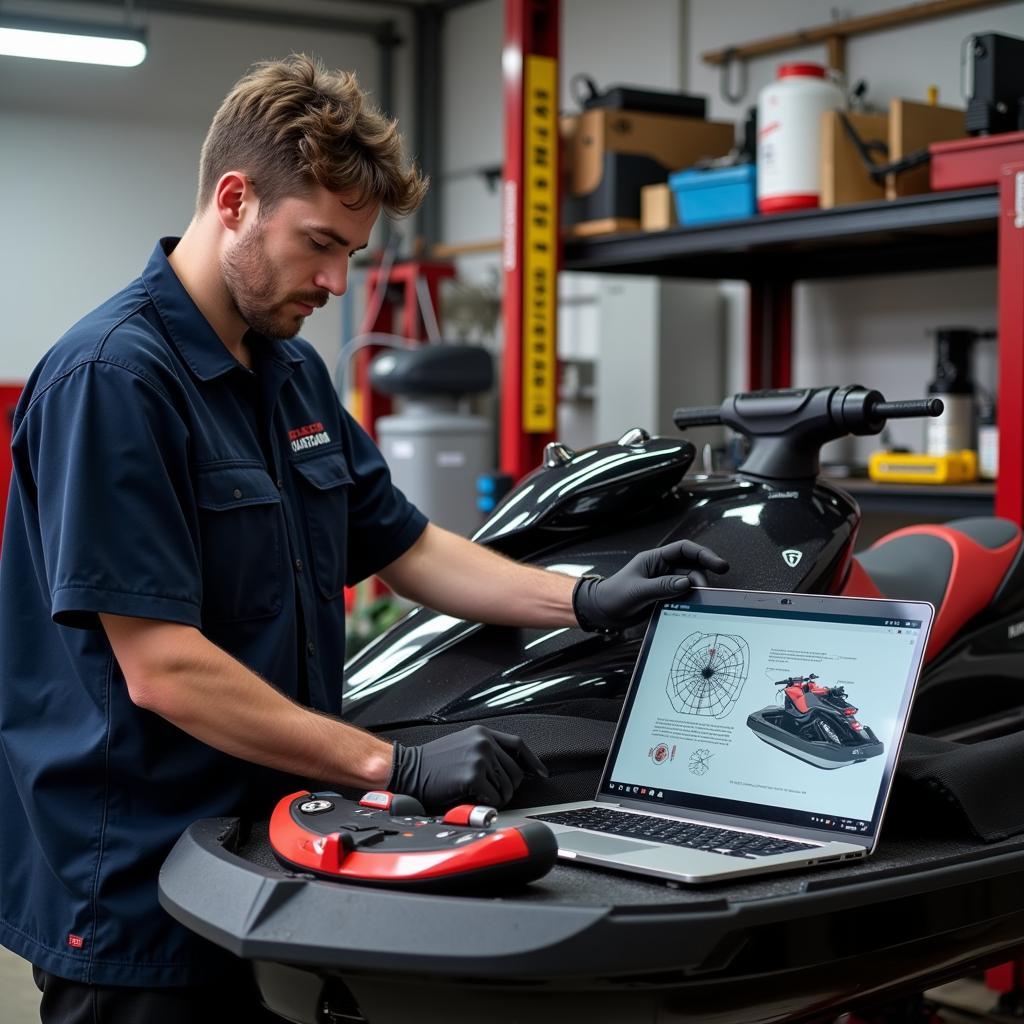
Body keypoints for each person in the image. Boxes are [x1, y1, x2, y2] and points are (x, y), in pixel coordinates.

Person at [0, 54, 728, 1022]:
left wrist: (583, 596)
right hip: (141, 887)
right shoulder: (114, 382)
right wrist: (395, 766)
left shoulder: (290, 373)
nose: (337, 281)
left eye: (353, 252)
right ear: (234, 200)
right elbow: (163, 667)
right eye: (318, 244)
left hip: (278, 852)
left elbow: (404, 544)